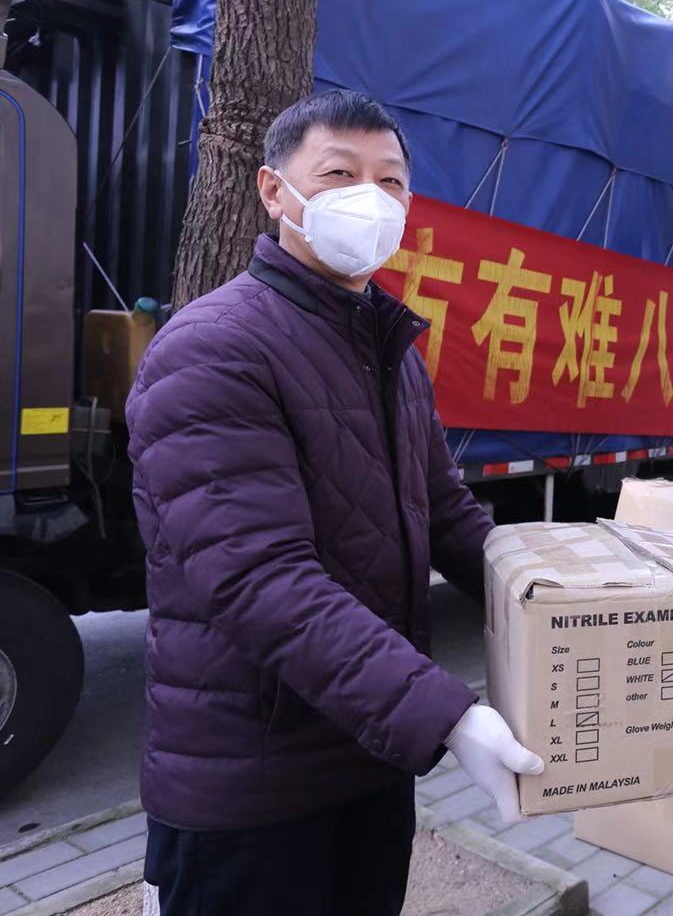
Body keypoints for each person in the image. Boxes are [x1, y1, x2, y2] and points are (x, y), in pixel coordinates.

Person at [127, 91, 542, 916]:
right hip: (252, 792)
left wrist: (556, 591)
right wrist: (448, 716)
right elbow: (258, 579)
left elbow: (445, 513)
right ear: (274, 191)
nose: (369, 199)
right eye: (339, 174)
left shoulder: (387, 348)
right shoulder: (214, 349)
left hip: (368, 762)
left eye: (390, 181)